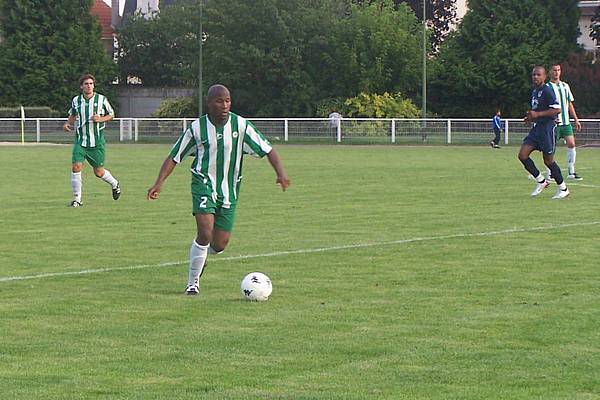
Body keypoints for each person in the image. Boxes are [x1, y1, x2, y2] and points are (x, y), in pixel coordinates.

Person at [147, 84, 291, 295]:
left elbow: (268, 149)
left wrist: (280, 173)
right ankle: (192, 283)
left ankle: (201, 257)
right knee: (205, 233)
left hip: (229, 191)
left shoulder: (241, 126)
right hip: (203, 184)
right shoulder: (197, 128)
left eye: (227, 101)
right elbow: (174, 156)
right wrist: (159, 182)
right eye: (219, 101)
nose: (224, 105)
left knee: (220, 244)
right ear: (209, 104)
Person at [63, 74, 121, 207]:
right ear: (81, 86)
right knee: (76, 166)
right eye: (86, 84)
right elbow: (73, 114)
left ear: (93, 86)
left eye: (91, 84)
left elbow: (111, 114)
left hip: (96, 143)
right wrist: (68, 124)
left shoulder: (101, 99)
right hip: (80, 141)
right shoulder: (76, 100)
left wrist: (100, 119)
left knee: (99, 172)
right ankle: (77, 199)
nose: (89, 86)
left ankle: (114, 183)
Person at [517, 66, 569, 199]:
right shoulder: (535, 91)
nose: (535, 77)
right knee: (522, 155)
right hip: (536, 129)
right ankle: (541, 181)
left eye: (538, 75)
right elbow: (536, 111)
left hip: (547, 129)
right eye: (534, 75)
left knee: (548, 161)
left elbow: (557, 110)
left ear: (544, 76)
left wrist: (538, 114)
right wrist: (530, 117)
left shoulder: (547, 90)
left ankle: (563, 188)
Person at [547, 63, 583, 181]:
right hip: (554, 124)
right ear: (550, 72)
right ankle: (550, 173)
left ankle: (571, 171)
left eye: (558, 70)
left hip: (566, 123)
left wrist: (576, 119)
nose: (556, 72)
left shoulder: (565, 86)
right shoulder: (547, 87)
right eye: (554, 70)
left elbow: (570, 103)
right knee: (551, 148)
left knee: (572, 144)